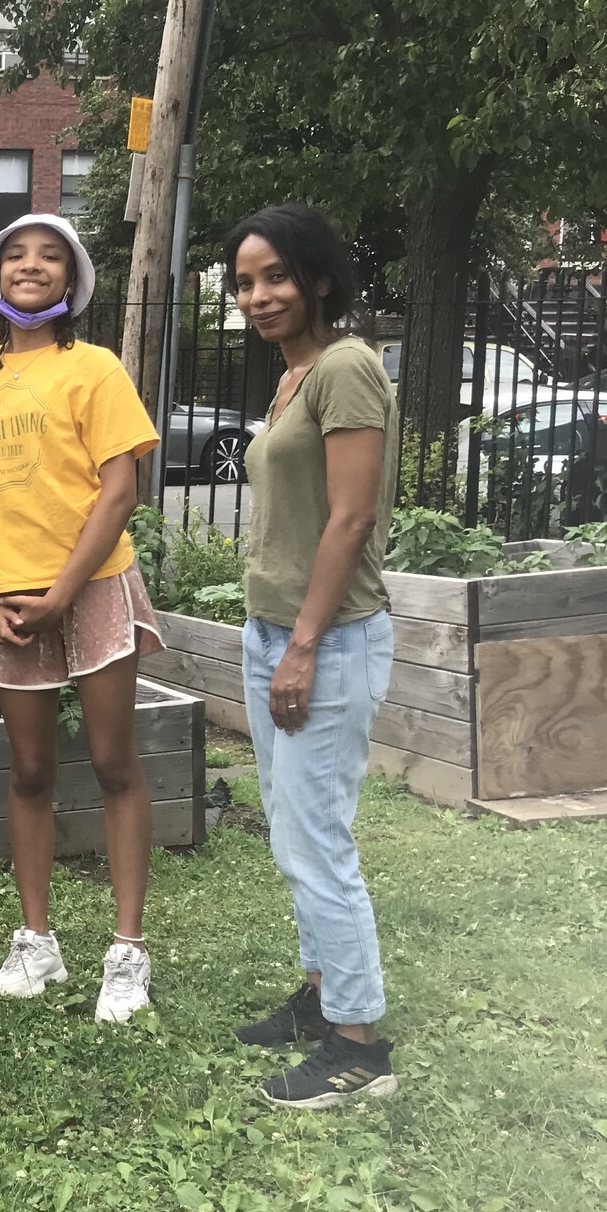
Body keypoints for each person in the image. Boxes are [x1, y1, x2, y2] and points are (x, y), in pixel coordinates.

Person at [0, 213, 164, 1022]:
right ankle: (36, 942)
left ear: (71, 281)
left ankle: (127, 951)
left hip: (93, 586)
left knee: (114, 762)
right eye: (16, 256)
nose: (31, 267)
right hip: (9, 602)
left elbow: (120, 490)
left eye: (49, 257)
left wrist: (67, 591)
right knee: (31, 772)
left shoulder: (95, 368)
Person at [227, 205, 401, 1108]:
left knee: (316, 841)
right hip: (275, 636)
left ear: (319, 279)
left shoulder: (346, 366)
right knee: (294, 833)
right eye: (247, 282)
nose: (259, 296)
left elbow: (351, 518)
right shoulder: (294, 377)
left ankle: (358, 1048)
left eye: (276, 277)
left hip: (322, 643)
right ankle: (324, 991)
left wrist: (300, 648)